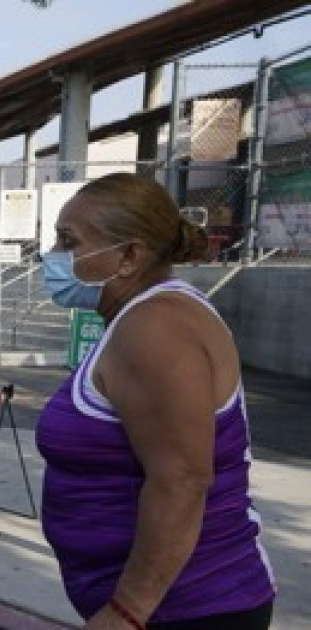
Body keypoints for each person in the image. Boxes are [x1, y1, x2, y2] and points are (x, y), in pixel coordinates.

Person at [36, 172, 275, 629]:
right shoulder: (138, 316)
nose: (54, 257)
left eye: (69, 242)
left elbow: (181, 480)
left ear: (128, 256)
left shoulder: (154, 330)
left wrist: (128, 610)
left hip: (188, 609)